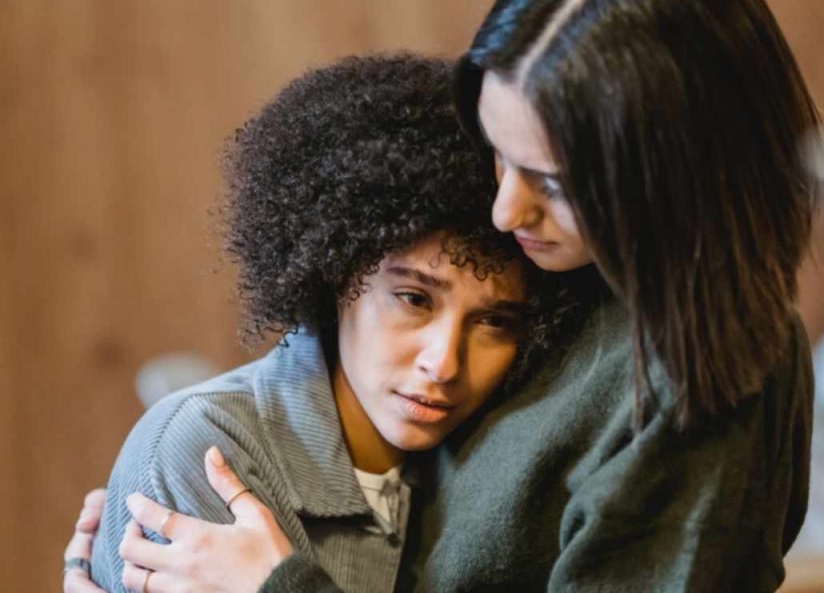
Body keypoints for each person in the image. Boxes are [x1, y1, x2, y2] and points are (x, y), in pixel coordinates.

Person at [66, 0, 820, 590]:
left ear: (671, 170)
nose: (504, 211)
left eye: (552, 183)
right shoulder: (562, 269)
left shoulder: (704, 376)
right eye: (499, 154)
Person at [73, 53, 592, 593]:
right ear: (339, 273)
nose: (443, 363)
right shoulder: (206, 448)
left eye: (494, 322)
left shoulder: (476, 462)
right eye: (414, 298)